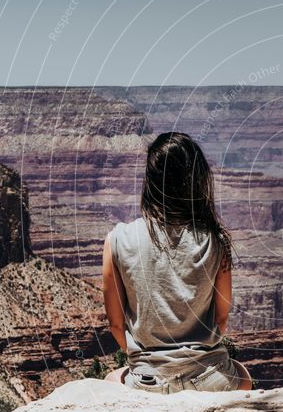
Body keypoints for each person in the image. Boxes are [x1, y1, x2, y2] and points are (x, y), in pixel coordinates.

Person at [101, 132, 251, 393]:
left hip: (148, 383)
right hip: (211, 379)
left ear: (150, 181)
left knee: (110, 382)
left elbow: (115, 324)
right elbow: (222, 316)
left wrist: (145, 359)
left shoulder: (117, 240)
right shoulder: (216, 240)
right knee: (244, 375)